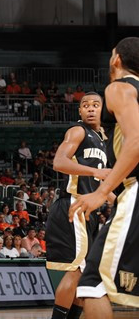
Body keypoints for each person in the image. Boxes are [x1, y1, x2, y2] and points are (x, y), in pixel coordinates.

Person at [68, 37, 139, 319]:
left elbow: (136, 142)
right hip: (127, 191)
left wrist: (101, 192)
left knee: (92, 282)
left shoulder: (119, 87)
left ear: (116, 60)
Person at [45, 92, 111, 319]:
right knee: (76, 272)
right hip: (73, 205)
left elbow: (102, 183)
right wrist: (95, 171)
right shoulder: (78, 131)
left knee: (84, 277)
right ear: (80, 111)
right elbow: (59, 162)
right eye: (85, 105)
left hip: (88, 211)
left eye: (95, 105)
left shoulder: (103, 139)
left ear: (103, 109)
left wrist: (120, 202)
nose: (91, 108)